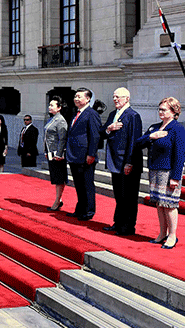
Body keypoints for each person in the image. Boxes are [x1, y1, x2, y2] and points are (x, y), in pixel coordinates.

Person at [136, 97, 185, 249]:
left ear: (173, 112)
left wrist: (176, 177)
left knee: (170, 204)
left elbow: (180, 155)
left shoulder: (177, 129)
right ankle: (162, 233)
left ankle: (172, 235)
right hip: (154, 170)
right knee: (159, 203)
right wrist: (151, 136)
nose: (160, 112)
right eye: (159, 109)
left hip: (168, 171)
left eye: (164, 109)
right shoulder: (154, 127)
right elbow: (139, 143)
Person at [100, 88, 143, 236]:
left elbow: (133, 141)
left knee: (129, 196)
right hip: (114, 161)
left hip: (126, 162)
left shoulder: (133, 116)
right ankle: (118, 223)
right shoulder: (113, 114)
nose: (115, 99)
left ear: (127, 98)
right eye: (114, 96)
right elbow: (102, 132)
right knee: (119, 195)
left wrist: (129, 162)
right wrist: (109, 128)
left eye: (118, 97)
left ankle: (128, 227)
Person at [66, 88, 102, 221]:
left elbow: (95, 136)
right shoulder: (76, 113)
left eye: (79, 96)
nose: (76, 99)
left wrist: (91, 154)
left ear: (87, 99)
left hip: (86, 156)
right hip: (74, 155)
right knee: (78, 185)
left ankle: (88, 211)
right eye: (75, 96)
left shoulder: (91, 114)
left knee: (87, 185)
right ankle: (80, 209)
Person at [44, 97, 69, 211]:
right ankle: (59, 199)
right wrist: (46, 151)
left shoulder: (61, 120)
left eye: (52, 105)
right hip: (51, 152)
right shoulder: (52, 119)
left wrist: (59, 154)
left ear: (59, 108)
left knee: (59, 178)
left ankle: (57, 200)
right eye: (49, 105)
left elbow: (62, 138)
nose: (50, 107)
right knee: (55, 177)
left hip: (57, 154)